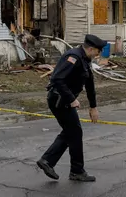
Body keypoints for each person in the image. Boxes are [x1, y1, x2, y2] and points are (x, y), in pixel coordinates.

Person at [36, 34, 107, 183]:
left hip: (64, 100)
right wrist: (71, 99)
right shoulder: (73, 57)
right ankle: (75, 171)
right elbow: (57, 79)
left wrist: (93, 107)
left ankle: (50, 161)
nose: (98, 54)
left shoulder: (85, 60)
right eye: (98, 51)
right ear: (91, 48)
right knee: (74, 132)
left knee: (71, 132)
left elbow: (90, 86)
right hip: (59, 100)